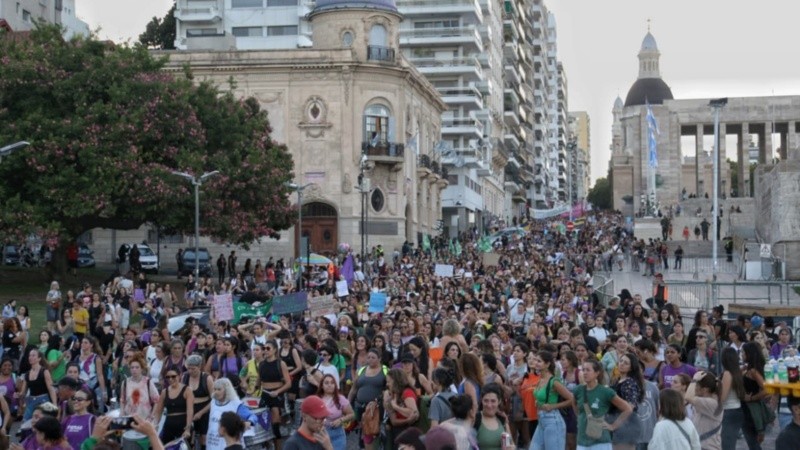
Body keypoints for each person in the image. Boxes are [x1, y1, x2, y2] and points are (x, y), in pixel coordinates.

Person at [573, 359, 633, 449]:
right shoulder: (578, 390)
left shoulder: (606, 392)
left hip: (600, 441)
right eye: (583, 370)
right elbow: (574, 404)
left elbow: (627, 409)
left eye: (588, 370)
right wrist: (580, 418)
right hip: (582, 441)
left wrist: (613, 426)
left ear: (597, 373)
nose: (584, 373)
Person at [530, 351, 572, 450]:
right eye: (536, 360)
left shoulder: (554, 381)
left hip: (553, 420)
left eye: (539, 361)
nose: (536, 363)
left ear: (548, 364)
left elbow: (571, 399)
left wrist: (553, 406)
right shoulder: (540, 379)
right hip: (541, 420)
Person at [259, 339, 293, 450]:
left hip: (276, 395)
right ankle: (267, 447)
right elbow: (259, 381)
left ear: (274, 350)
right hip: (264, 395)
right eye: (264, 348)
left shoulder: (280, 363)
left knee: (275, 425)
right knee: (263, 425)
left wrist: (277, 392)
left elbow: (288, 383)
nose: (265, 350)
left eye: (268, 348)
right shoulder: (261, 364)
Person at [206, 378, 257, 450]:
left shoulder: (235, 404)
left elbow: (253, 416)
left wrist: (249, 422)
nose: (216, 392)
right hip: (212, 443)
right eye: (215, 389)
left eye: (219, 389)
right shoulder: (213, 402)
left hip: (230, 445)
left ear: (226, 390)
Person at [152, 367, 194, 445]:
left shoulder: (187, 390)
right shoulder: (164, 392)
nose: (170, 379)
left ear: (179, 375)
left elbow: (190, 411)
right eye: (168, 377)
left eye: (173, 376)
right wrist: (155, 424)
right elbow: (158, 412)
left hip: (183, 425)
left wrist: (188, 429)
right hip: (169, 425)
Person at [317, 374, 354, 450]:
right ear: (322, 386)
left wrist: (341, 420)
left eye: (332, 383)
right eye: (326, 383)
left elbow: (352, 414)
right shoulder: (317, 399)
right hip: (321, 434)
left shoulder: (341, 399)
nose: (330, 385)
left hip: (337, 435)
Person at [718, 347, 745, 450]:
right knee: (730, 444)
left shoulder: (727, 374)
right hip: (736, 409)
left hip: (728, 411)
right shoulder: (737, 372)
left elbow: (723, 397)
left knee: (726, 445)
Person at [475, 384, 511, 450]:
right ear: (481, 400)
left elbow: (511, 444)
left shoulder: (502, 419)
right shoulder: (476, 419)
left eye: (493, 401)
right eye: (486, 401)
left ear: (499, 401)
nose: (489, 405)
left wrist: (511, 448)